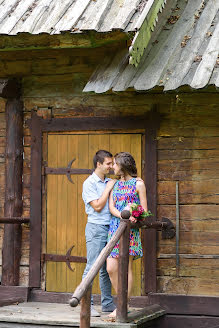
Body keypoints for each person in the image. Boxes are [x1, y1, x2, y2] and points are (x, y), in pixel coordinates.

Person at [106, 152, 148, 318]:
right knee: (111, 267)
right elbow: (111, 207)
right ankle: (123, 302)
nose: (113, 167)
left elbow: (144, 210)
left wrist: (134, 215)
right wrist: (122, 214)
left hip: (130, 230)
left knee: (125, 267)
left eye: (115, 164)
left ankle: (123, 305)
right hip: (115, 228)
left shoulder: (138, 184)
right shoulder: (114, 184)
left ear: (122, 166)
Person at [78, 150, 116, 316]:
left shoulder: (110, 181)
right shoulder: (89, 183)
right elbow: (98, 206)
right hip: (96, 228)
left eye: (112, 163)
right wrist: (108, 189)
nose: (111, 166)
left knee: (106, 269)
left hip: (111, 228)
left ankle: (107, 304)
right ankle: (87, 305)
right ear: (98, 164)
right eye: (108, 163)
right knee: (92, 266)